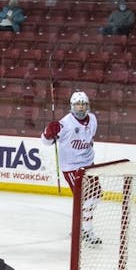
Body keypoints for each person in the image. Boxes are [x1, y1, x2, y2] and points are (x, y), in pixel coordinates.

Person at [40, 90, 101, 244]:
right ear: (72, 106)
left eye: (83, 104)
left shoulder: (93, 119)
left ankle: (81, 228)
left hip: (88, 165)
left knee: (96, 196)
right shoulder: (65, 123)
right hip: (72, 167)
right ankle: (86, 231)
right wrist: (48, 133)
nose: (80, 107)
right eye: (77, 104)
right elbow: (47, 142)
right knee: (87, 199)